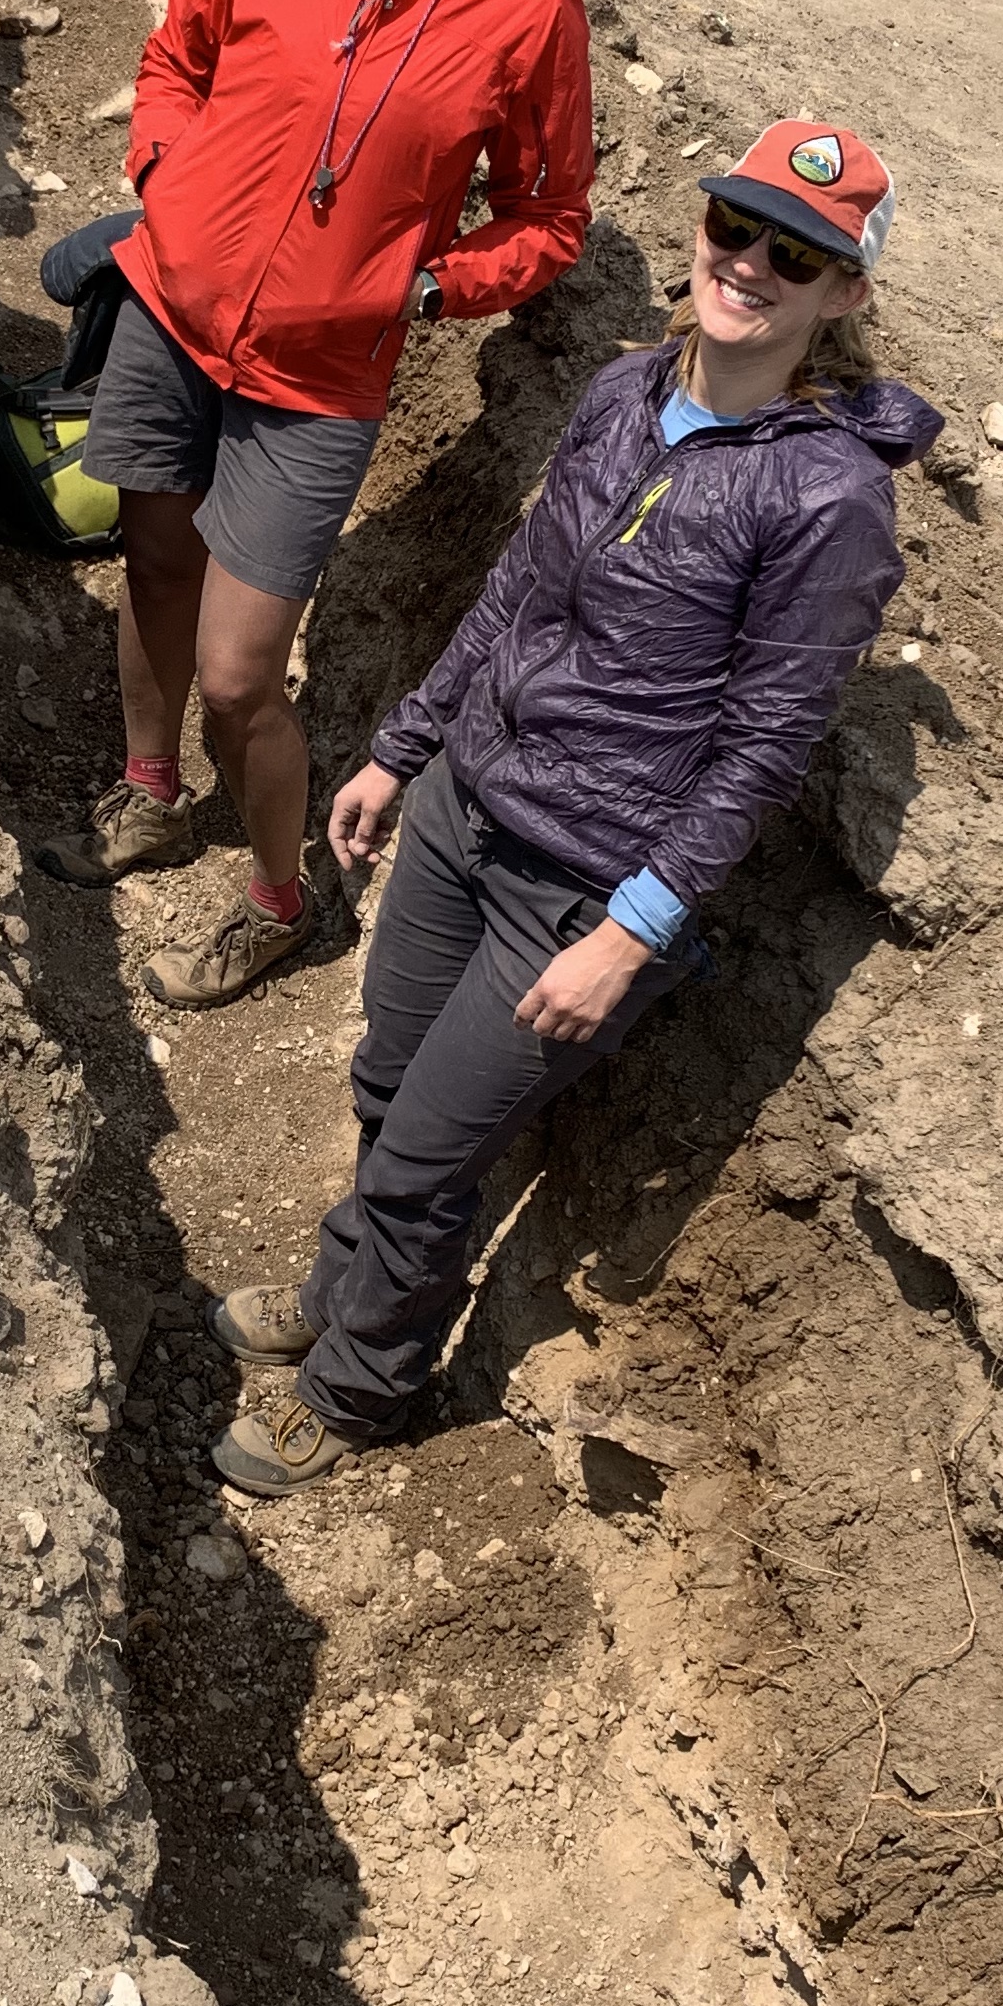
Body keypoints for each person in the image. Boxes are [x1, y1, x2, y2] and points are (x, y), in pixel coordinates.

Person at [204, 121, 940, 1494]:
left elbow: (766, 747)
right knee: (385, 1086)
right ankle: (343, 1285)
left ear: (844, 295)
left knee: (430, 1149)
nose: (752, 269)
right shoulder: (623, 394)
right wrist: (402, 748)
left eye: (801, 257)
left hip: (583, 881)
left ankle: (361, 1388)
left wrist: (631, 931)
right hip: (467, 810)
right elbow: (516, 595)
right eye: (739, 230)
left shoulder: (829, 499)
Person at [37, 0, 616, 1012]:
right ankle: (147, 791)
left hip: (319, 386)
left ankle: (283, 903)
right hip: (172, 318)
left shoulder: (533, 11)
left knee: (243, 676)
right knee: (155, 564)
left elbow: (551, 220)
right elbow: (179, 47)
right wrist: (166, 171)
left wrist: (420, 289)